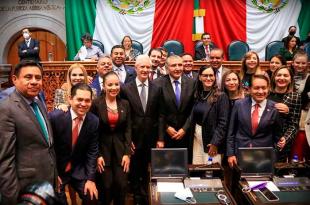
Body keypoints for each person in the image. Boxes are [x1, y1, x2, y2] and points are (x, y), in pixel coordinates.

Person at [0, 60, 56, 205]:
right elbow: (5, 160)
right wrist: (11, 199)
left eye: (38, 78)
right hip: (24, 188)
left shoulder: (38, 102)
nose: (34, 82)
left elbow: (47, 144)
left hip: (46, 184)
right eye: (28, 77)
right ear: (14, 79)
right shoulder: (6, 109)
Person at [49, 83, 99, 205]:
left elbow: (92, 152)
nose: (83, 104)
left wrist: (90, 179)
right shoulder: (55, 117)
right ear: (70, 99)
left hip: (78, 169)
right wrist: (53, 174)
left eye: (87, 100)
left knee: (92, 197)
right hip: (58, 170)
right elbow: (48, 149)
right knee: (60, 202)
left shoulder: (93, 121)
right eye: (79, 99)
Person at [121, 55, 161, 205]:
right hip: (133, 138)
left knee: (148, 168)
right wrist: (128, 139)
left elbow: (160, 115)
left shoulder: (157, 88)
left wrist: (161, 138)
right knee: (135, 168)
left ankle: (147, 195)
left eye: (147, 67)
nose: (145, 69)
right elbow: (124, 117)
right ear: (135, 68)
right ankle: (137, 196)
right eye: (142, 67)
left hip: (151, 137)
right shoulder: (125, 88)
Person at [90, 71, 131, 205]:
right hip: (103, 151)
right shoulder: (96, 104)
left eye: (116, 84)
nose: (114, 87)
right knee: (106, 187)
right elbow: (93, 131)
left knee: (121, 185)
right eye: (110, 85)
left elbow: (128, 130)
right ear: (104, 86)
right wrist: (98, 155)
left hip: (121, 151)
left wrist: (127, 154)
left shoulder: (125, 104)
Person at [227, 75, 282, 168]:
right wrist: (230, 154)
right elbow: (231, 132)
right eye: (256, 88)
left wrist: (273, 154)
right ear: (249, 89)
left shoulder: (275, 108)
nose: (260, 91)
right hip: (240, 153)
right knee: (240, 182)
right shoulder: (239, 104)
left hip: (264, 156)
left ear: (268, 89)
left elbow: (277, 136)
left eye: (264, 88)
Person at [189, 66, 229, 164]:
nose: (208, 78)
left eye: (211, 75)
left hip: (211, 140)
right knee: (197, 169)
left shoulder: (221, 96)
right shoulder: (197, 94)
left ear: (215, 77)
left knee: (211, 171)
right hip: (196, 139)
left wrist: (215, 143)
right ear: (199, 77)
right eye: (205, 75)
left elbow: (223, 123)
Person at [154, 55, 195, 149]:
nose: (177, 68)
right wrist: (166, 127)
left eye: (180, 65)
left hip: (186, 134)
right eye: (174, 65)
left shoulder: (192, 83)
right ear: (167, 67)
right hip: (165, 134)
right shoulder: (157, 84)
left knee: (186, 163)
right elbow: (155, 110)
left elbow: (193, 109)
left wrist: (184, 129)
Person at [268, 66, 302, 162]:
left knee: (277, 171)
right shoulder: (266, 93)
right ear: (274, 77)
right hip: (263, 138)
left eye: (285, 75)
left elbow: (294, 124)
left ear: (290, 78)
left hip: (280, 141)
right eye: (279, 75)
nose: (282, 78)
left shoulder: (295, 96)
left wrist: (285, 138)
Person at [290, 51, 310, 161]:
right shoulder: (286, 75)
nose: (300, 66)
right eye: (297, 62)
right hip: (286, 118)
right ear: (293, 63)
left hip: (302, 119)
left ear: (307, 64)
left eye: (303, 63)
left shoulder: (309, 78)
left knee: (298, 152)